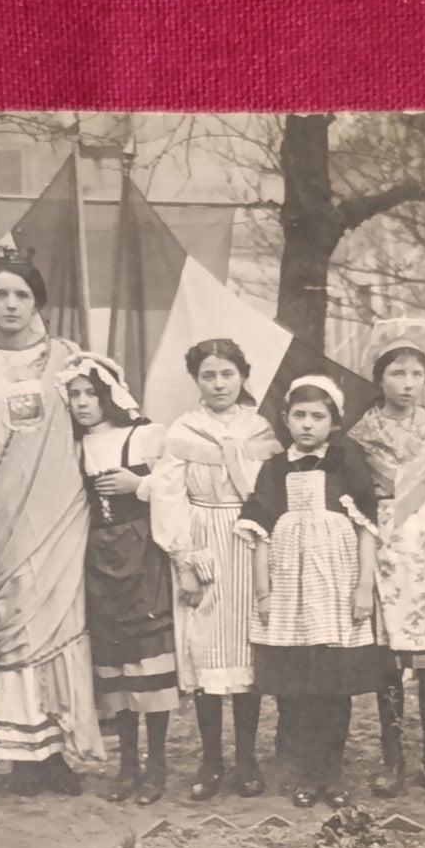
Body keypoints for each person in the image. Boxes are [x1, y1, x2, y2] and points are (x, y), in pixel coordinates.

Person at [0, 249, 102, 795]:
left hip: (64, 507)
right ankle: (24, 751)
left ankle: (62, 748)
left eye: (22, 294)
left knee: (66, 624)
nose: (11, 304)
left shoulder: (70, 359)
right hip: (5, 516)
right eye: (0, 294)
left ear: (38, 301)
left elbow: (105, 420)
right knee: (14, 623)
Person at [237, 377, 385, 808]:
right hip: (290, 588)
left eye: (317, 417)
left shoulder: (346, 462)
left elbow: (366, 528)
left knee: (333, 683)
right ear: (285, 420)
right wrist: (263, 590)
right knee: (298, 684)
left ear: (334, 423)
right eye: (298, 416)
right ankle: (305, 770)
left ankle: (332, 773)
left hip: (336, 586)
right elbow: (260, 531)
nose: (307, 425)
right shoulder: (275, 468)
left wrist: (363, 587)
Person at [150, 337, 280, 800]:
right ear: (196, 380)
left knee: (247, 651)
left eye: (227, 373)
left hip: (249, 543)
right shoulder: (184, 429)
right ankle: (211, 761)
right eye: (209, 375)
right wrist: (184, 560)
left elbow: (270, 494)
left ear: (243, 376)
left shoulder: (259, 428)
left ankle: (246, 760)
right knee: (205, 652)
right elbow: (167, 497)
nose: (219, 383)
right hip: (202, 538)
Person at [347, 320, 425, 797]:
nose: (408, 383)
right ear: (380, 380)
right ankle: (391, 758)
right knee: (389, 661)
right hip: (386, 544)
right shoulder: (361, 433)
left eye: (417, 373)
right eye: (397, 373)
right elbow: (359, 496)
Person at [62, 352, 177, 805]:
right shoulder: (74, 447)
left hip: (142, 555)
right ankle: (127, 763)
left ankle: (157, 764)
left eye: (91, 393)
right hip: (99, 559)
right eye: (74, 395)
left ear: (110, 393)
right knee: (115, 665)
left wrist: (139, 486)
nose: (83, 403)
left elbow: (174, 486)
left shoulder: (145, 436)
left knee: (148, 659)